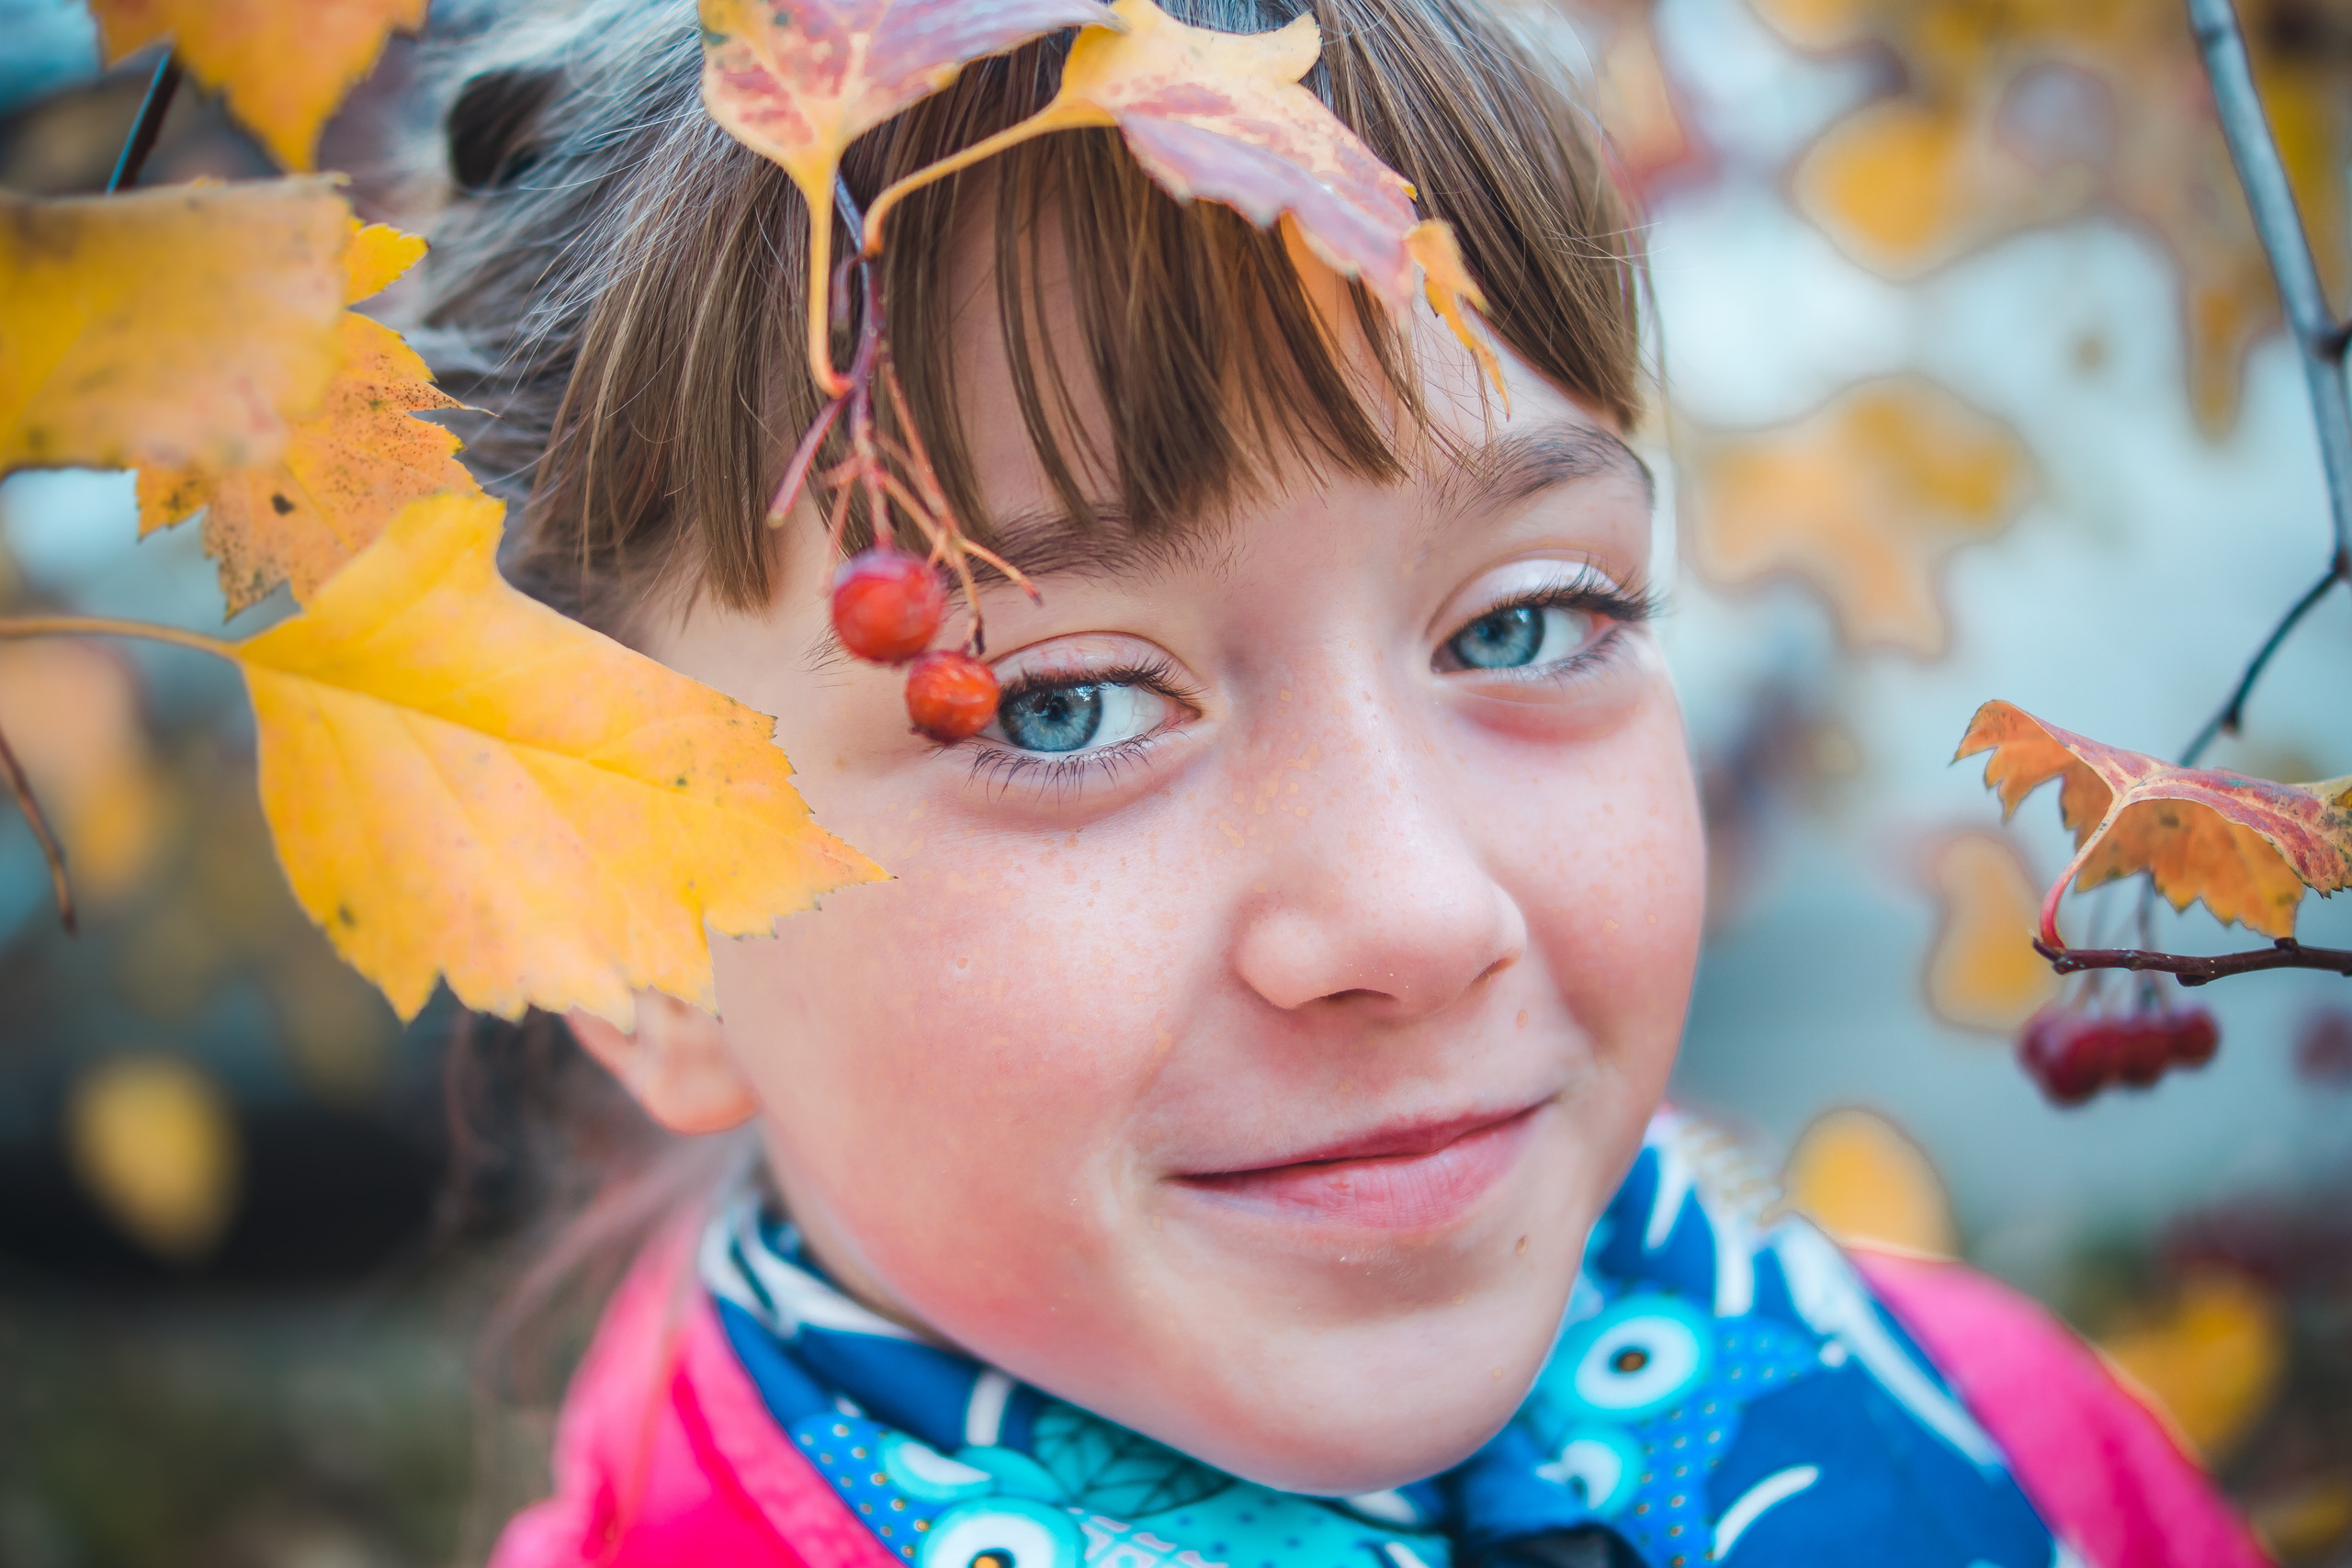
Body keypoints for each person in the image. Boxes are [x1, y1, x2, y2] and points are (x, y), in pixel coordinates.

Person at [416, 2, 2271, 1564]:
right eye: (1056, 708)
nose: (1413, 911)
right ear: (615, 916)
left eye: (1526, 623)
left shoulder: (2014, 1457)